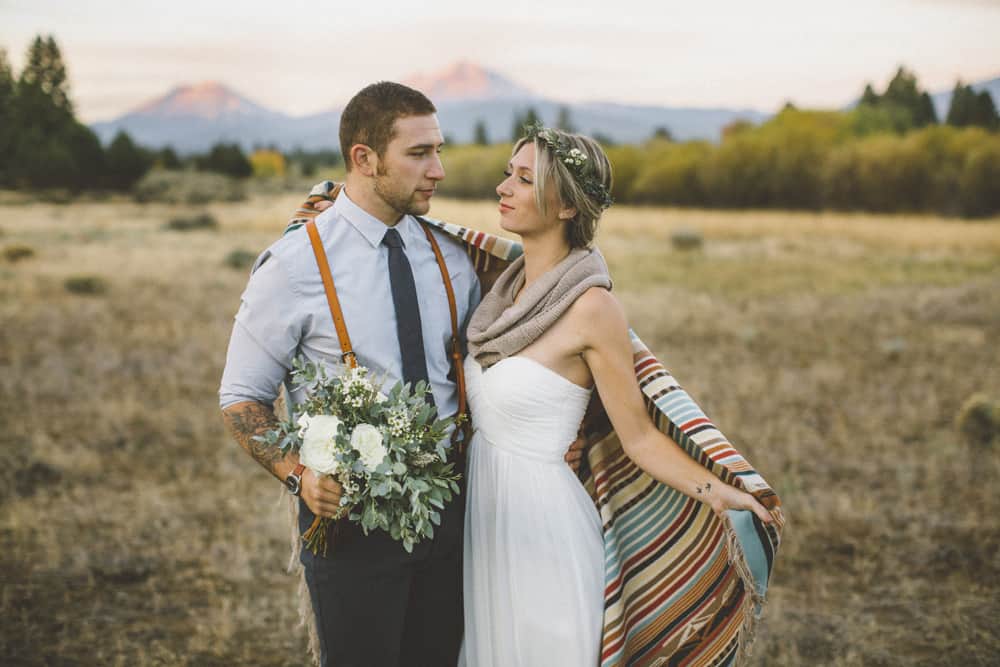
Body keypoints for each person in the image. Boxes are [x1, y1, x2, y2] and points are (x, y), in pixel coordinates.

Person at [218, 82, 582, 667]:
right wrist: (299, 477)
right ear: (364, 159)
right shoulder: (291, 267)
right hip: (351, 527)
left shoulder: (454, 256)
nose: (438, 169)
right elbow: (242, 399)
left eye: (438, 150)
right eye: (419, 154)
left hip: (456, 517)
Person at [457, 124, 776, 666]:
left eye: (524, 178)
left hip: (544, 528)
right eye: (508, 173)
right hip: (485, 525)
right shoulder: (499, 289)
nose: (502, 188)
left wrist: (722, 492)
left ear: (565, 206)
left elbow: (639, 436)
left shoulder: (592, 307)